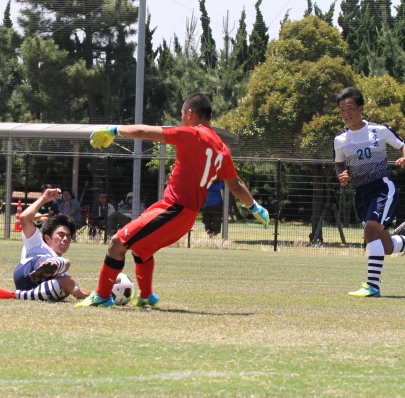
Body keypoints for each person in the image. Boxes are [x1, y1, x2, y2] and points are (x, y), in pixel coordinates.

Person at [76, 93, 270, 307]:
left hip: (174, 209)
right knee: (142, 249)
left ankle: (102, 297)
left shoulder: (191, 134)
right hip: (187, 214)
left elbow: (144, 131)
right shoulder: (222, 149)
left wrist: (114, 130)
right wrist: (254, 206)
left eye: (181, 115)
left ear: (189, 114)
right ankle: (146, 295)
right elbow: (236, 184)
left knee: (116, 243)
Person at [335, 87, 405, 297]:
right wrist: (342, 175)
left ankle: (373, 287)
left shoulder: (379, 130)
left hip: (382, 188)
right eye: (342, 110)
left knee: (370, 232)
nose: (346, 113)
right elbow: (340, 164)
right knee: (386, 246)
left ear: (360, 108)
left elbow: (403, 145)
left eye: (350, 108)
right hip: (361, 193)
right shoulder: (340, 140)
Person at [0, 187, 91, 301]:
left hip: (35, 288)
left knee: (69, 282)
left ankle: (15, 294)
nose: (65, 239)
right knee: (65, 262)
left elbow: (79, 292)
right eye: (61, 235)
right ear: (47, 238)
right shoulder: (37, 243)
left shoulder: (62, 270)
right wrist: (43, 199)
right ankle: (38, 273)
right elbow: (24, 218)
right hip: (25, 273)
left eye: (68, 237)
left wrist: (104, 295)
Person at [201, 179, 225, 244]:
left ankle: (214, 239)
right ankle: (211, 238)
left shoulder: (221, 181)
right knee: (206, 221)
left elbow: (218, 187)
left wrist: (210, 186)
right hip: (208, 204)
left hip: (217, 205)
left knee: (216, 222)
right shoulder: (208, 181)